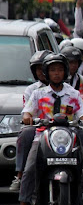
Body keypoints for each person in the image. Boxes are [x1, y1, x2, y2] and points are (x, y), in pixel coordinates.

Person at [14, 53, 83, 205]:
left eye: (59, 70)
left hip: (68, 137)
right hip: (42, 135)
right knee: (29, 170)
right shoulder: (38, 94)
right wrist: (28, 117)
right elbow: (27, 112)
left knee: (82, 170)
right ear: (46, 73)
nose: (56, 73)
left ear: (65, 72)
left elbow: (82, 114)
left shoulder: (73, 94)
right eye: (52, 70)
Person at [10, 51, 53, 192]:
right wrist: (28, 118)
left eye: (44, 68)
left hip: (61, 128)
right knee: (25, 133)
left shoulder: (68, 89)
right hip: (38, 127)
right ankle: (20, 174)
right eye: (38, 69)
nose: (41, 72)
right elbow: (27, 112)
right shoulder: (32, 90)